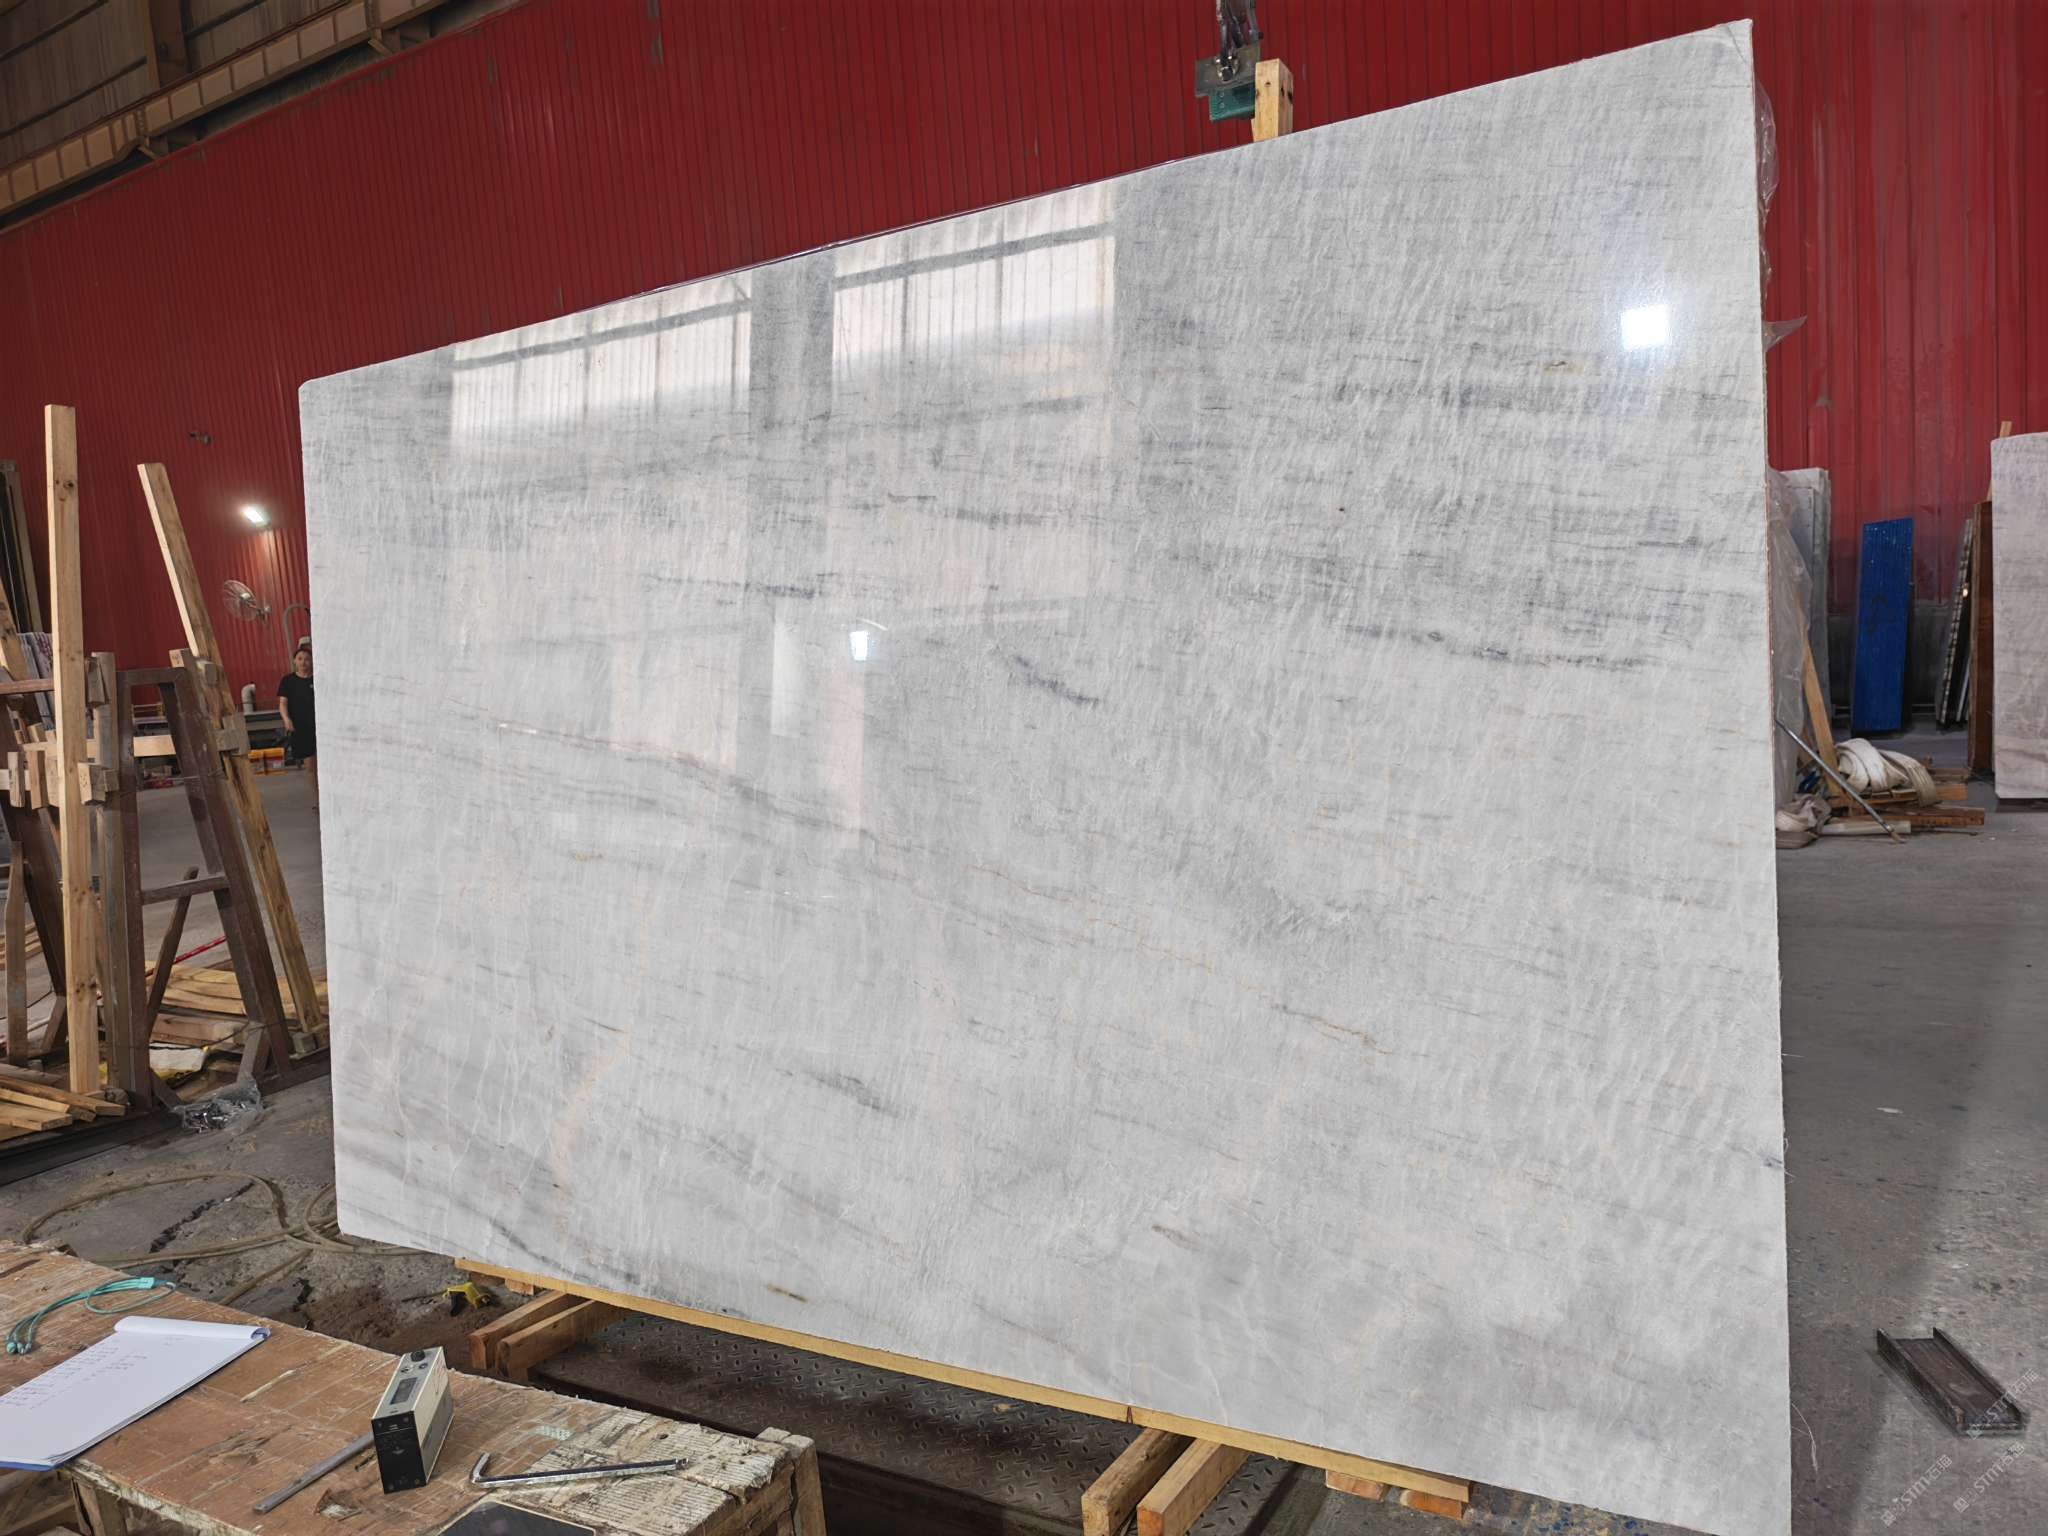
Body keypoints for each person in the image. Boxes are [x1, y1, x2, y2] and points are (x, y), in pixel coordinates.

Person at [277, 644, 317, 809]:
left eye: (307, 659)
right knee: (311, 767)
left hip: (320, 728)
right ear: (294, 661)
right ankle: (318, 800)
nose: (303, 662)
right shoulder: (288, 681)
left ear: (312, 661)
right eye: (300, 659)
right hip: (301, 728)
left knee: (325, 767)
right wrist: (286, 719)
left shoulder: (318, 679)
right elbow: (283, 703)